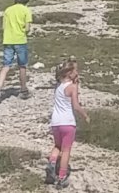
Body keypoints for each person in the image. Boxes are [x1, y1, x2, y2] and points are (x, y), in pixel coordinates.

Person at [46, 57, 89, 190]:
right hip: (68, 122)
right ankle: (62, 176)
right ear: (70, 73)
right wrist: (85, 115)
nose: (77, 73)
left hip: (55, 122)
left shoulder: (58, 86)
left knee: (57, 146)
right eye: (76, 71)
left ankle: (52, 163)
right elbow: (75, 106)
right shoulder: (72, 87)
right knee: (66, 150)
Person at [0, 0, 34, 103]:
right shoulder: (26, 10)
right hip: (20, 40)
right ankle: (23, 90)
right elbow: (27, 28)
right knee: (22, 66)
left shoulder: (8, 10)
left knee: (6, 65)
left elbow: (3, 27)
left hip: (8, 40)